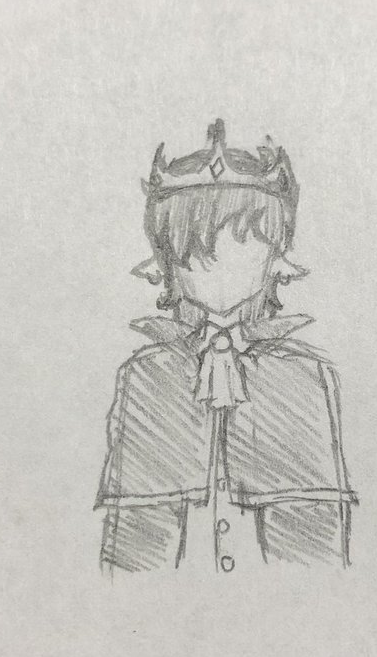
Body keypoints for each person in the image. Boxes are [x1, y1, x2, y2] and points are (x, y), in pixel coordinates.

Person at [95, 118, 356, 575]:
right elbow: (134, 546)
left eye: (244, 245)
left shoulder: (304, 375)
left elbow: (315, 545)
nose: (217, 262)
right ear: (166, 263)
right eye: (196, 252)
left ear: (275, 258)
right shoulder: (145, 375)